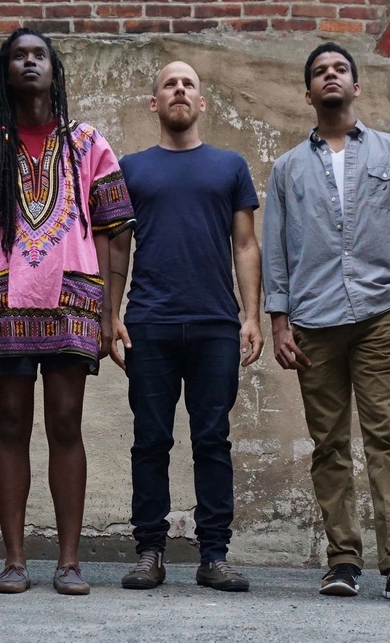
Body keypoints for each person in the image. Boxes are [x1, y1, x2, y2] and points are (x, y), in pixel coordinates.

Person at [0, 28, 134, 595]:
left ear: (55, 70)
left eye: (40, 55)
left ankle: (69, 561)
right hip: (4, 302)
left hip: (73, 300)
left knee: (66, 423)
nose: (29, 62)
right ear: (5, 72)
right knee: (10, 423)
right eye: (18, 56)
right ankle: (14, 560)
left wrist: (108, 311)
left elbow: (114, 228)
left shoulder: (86, 142)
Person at [263, 43, 390, 605]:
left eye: (340, 69)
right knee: (329, 443)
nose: (330, 76)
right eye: (320, 71)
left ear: (356, 86)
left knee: (387, 438)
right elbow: (275, 250)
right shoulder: (288, 167)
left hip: (378, 316)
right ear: (308, 93)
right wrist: (279, 322)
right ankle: (343, 560)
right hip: (313, 322)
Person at [109, 61, 262, 592]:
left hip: (216, 324)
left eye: (188, 84)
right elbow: (118, 250)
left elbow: (246, 245)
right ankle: (149, 552)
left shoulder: (230, 167)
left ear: (201, 102)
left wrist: (251, 316)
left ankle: (214, 555)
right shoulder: (131, 169)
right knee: (150, 441)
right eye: (169, 84)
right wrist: (111, 315)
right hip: (149, 322)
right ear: (154, 103)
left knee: (212, 439)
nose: (179, 89)